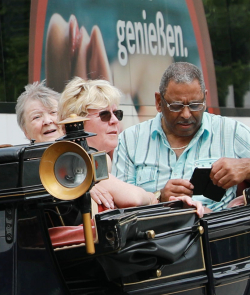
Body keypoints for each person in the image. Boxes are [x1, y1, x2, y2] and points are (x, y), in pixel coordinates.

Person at [112, 62, 250, 211]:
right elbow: (118, 210)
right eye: (176, 106)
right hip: (151, 248)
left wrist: (248, 167)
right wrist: (158, 198)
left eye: (196, 105)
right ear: (158, 102)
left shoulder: (228, 131)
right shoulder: (131, 139)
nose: (187, 114)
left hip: (215, 243)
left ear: (206, 98)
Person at [58, 77, 203, 214]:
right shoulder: (79, 159)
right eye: (104, 115)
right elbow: (134, 198)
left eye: (117, 113)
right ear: (75, 123)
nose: (115, 120)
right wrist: (154, 198)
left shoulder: (88, 157)